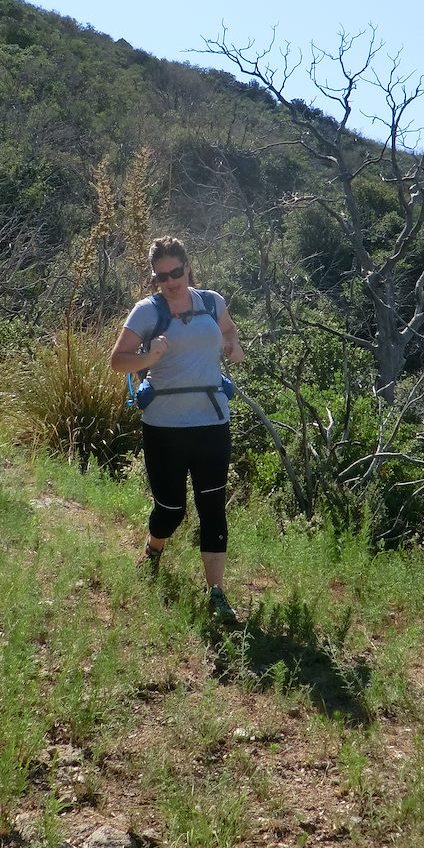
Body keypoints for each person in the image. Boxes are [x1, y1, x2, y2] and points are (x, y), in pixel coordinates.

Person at [110, 235, 245, 624]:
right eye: (161, 276)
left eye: (176, 272)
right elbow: (118, 361)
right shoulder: (146, 312)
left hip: (212, 422)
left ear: (188, 267)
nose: (170, 281)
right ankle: (154, 549)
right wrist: (148, 356)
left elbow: (229, 331)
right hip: (164, 427)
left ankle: (216, 593)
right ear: (154, 278)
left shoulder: (211, 302)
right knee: (171, 509)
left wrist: (232, 346)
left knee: (212, 507)